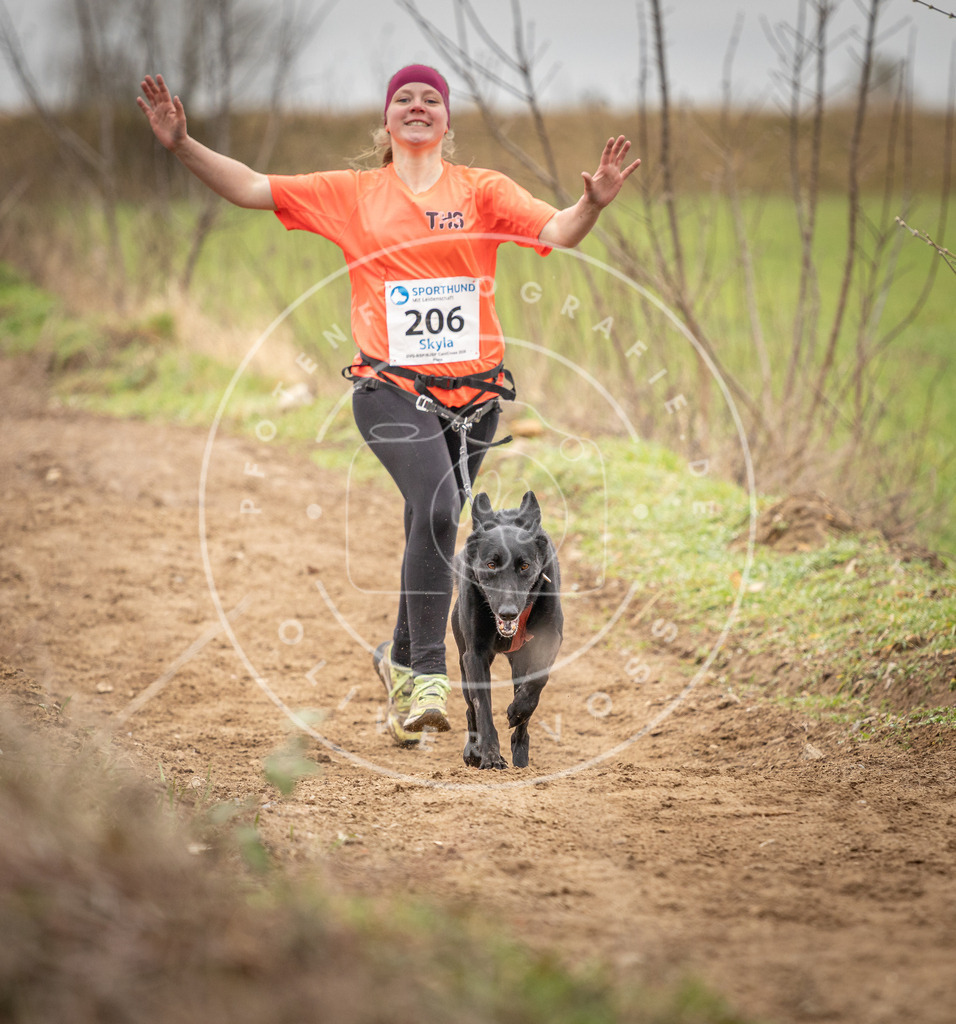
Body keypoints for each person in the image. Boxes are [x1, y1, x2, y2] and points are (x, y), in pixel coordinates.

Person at [137, 66, 640, 749]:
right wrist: (181, 147)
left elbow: (556, 231)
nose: (417, 105)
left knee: (425, 528)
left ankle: (395, 659)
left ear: (446, 122)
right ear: (386, 121)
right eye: (404, 97)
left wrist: (595, 205)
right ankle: (428, 678)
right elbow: (254, 187)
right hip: (389, 389)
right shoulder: (353, 194)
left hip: (477, 399)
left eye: (431, 98)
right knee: (438, 512)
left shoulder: (482, 191)